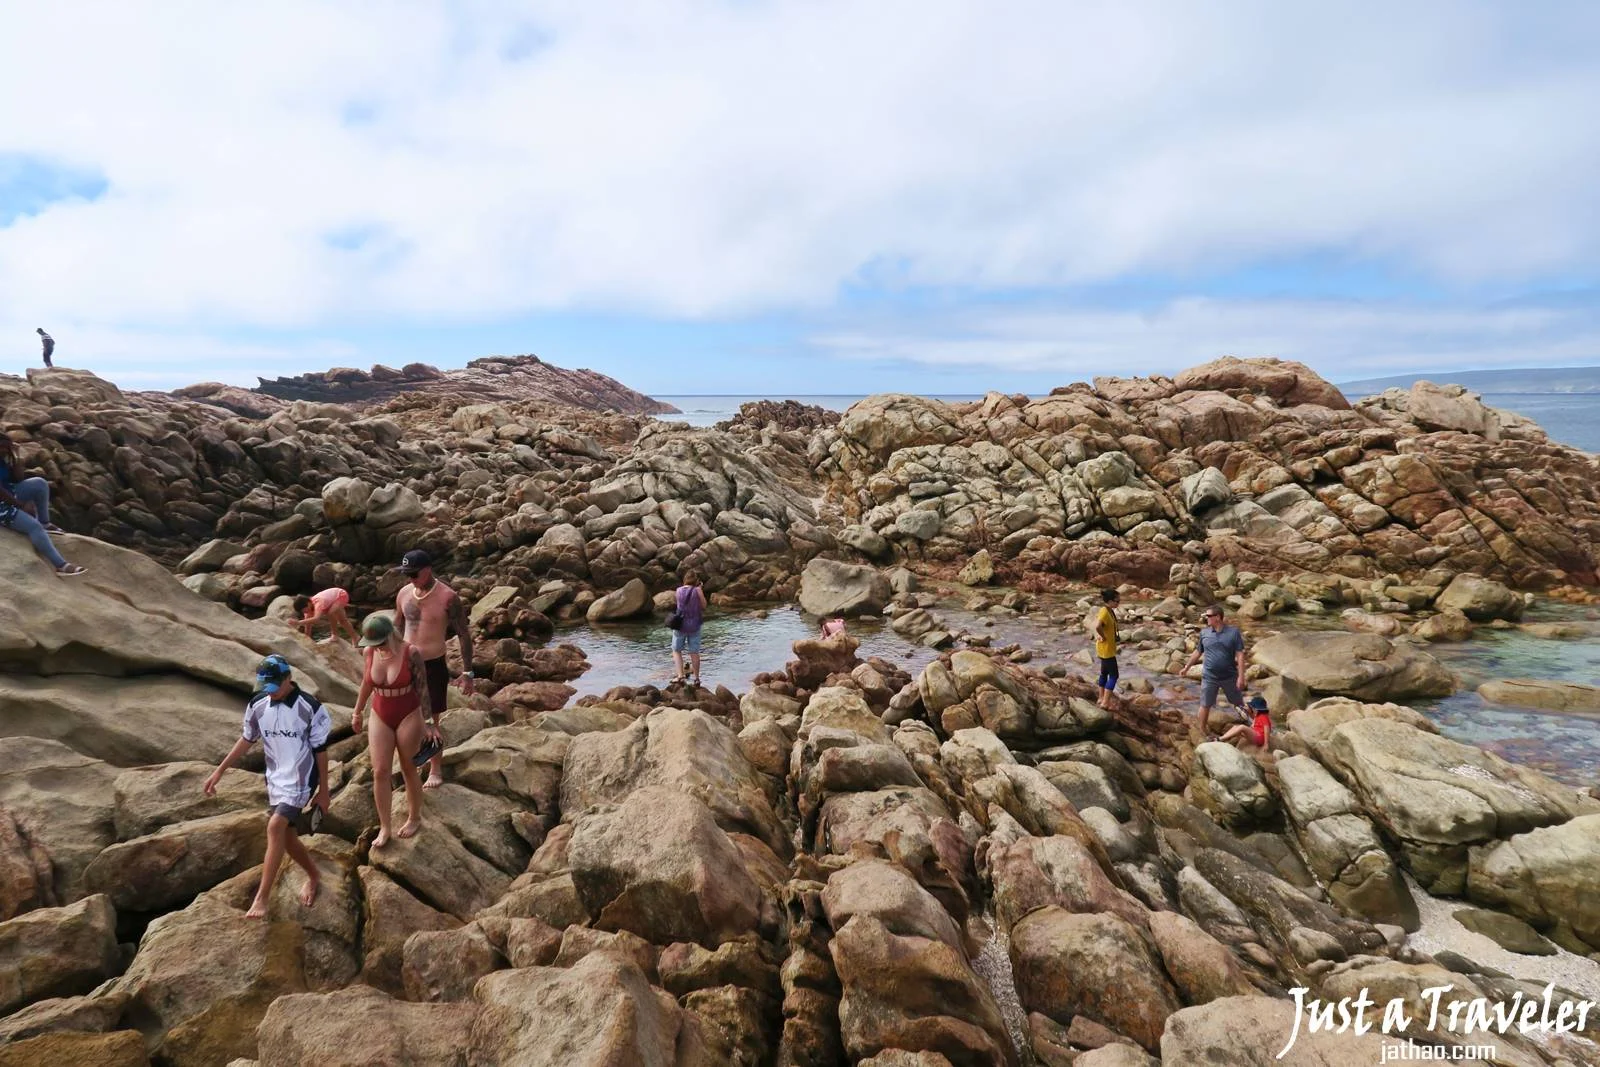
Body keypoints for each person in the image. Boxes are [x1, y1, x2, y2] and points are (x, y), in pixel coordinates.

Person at [203, 655, 330, 918]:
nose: (269, 693)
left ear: (288, 679)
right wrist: (219, 771)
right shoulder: (258, 704)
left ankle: (261, 899)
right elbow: (247, 739)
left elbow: (320, 751)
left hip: (301, 779)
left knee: (274, 827)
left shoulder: (310, 707)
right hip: (275, 779)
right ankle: (314, 875)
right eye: (266, 688)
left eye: (274, 687)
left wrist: (324, 792)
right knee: (288, 837)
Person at [353, 613, 438, 846]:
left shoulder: (411, 652)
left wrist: (429, 723)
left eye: (379, 642)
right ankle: (385, 827)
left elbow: (423, 689)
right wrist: (357, 711)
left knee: (408, 767)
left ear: (390, 636)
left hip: (409, 712)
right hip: (380, 712)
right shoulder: (370, 652)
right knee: (380, 771)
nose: (376, 647)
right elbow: (367, 682)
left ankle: (414, 817)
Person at [394, 549, 473, 789]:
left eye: (414, 574)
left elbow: (463, 634)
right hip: (406, 661)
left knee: (431, 719)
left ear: (428, 570)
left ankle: (435, 768)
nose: (410, 579)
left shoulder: (448, 597)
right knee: (407, 717)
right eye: (407, 575)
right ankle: (416, 759)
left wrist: (468, 673)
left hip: (432, 664)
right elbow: (397, 626)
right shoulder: (404, 593)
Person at [0, 437, 84, 576]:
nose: (5, 450)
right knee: (33, 526)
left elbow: (18, 478)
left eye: (6, 447)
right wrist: (21, 505)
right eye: (2, 447)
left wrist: (16, 456)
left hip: (10, 492)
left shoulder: (4, 458)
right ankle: (61, 566)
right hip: (2, 504)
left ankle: (45, 522)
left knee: (40, 483)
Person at [1184, 604, 1248, 735]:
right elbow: (1198, 652)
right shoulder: (1204, 633)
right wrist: (1187, 667)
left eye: (1208, 616)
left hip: (1229, 677)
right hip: (1209, 677)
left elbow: (1240, 655)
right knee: (1205, 704)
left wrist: (1241, 677)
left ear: (1218, 617)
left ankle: (1249, 723)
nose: (1206, 618)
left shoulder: (1233, 633)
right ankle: (1201, 731)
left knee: (1238, 703)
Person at [671, 570, 706, 686]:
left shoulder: (678, 591)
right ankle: (696, 678)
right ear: (696, 581)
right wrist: (700, 589)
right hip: (695, 625)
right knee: (694, 652)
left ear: (685, 580)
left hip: (680, 625)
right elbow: (704, 606)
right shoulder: (698, 590)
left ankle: (680, 676)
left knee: (676, 650)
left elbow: (679, 606)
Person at [292, 588, 358, 644]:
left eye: (304, 610)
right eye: (302, 612)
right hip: (333, 600)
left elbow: (316, 618)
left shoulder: (318, 603)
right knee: (342, 620)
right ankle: (355, 637)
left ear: (308, 603)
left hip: (340, 595)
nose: (304, 612)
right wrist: (307, 641)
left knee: (331, 613)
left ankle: (335, 634)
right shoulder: (307, 611)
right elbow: (308, 627)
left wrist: (298, 622)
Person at [1092, 588, 1120, 709]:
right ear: (1110, 601)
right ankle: (1105, 702)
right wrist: (1103, 636)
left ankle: (1100, 698)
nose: (1119, 603)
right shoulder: (1104, 611)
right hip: (1107, 649)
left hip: (1105, 648)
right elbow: (1097, 626)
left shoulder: (1108, 610)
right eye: (1117, 601)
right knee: (1114, 675)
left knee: (1104, 673)